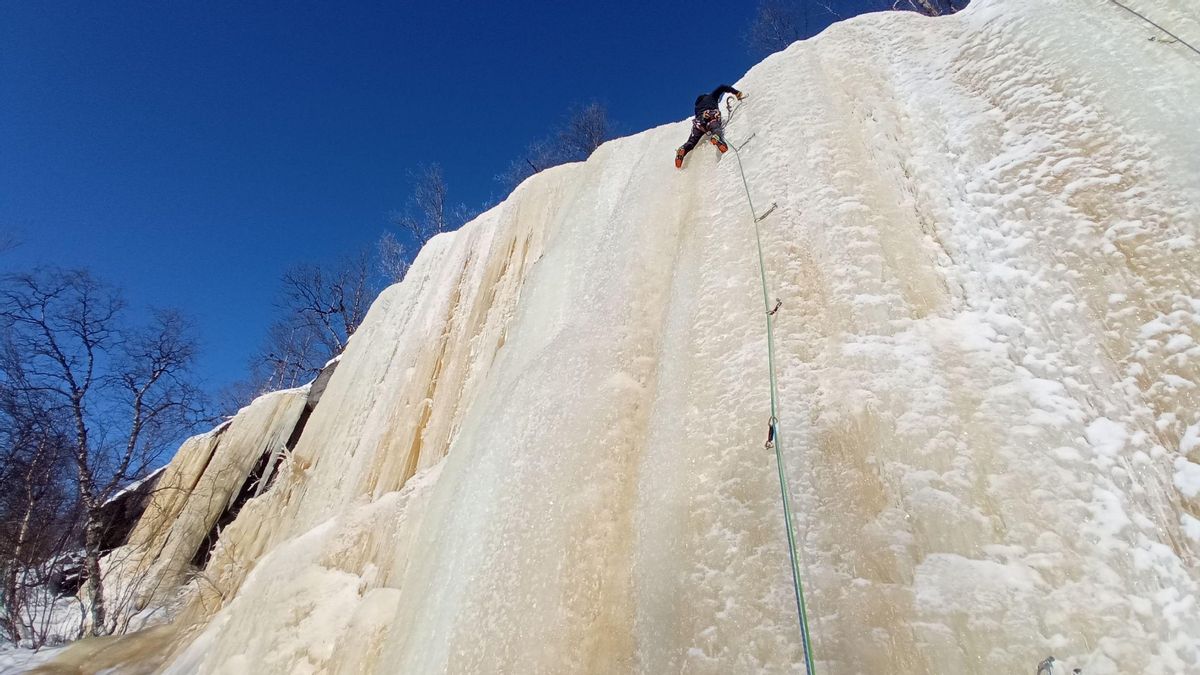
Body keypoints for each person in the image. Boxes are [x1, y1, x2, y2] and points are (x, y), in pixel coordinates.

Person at [675, 84, 747, 169]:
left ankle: (683, 149)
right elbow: (722, 87)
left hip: (698, 123)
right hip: (710, 116)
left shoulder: (697, 107)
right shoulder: (711, 96)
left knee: (692, 142)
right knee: (716, 128)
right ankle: (717, 138)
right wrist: (736, 93)